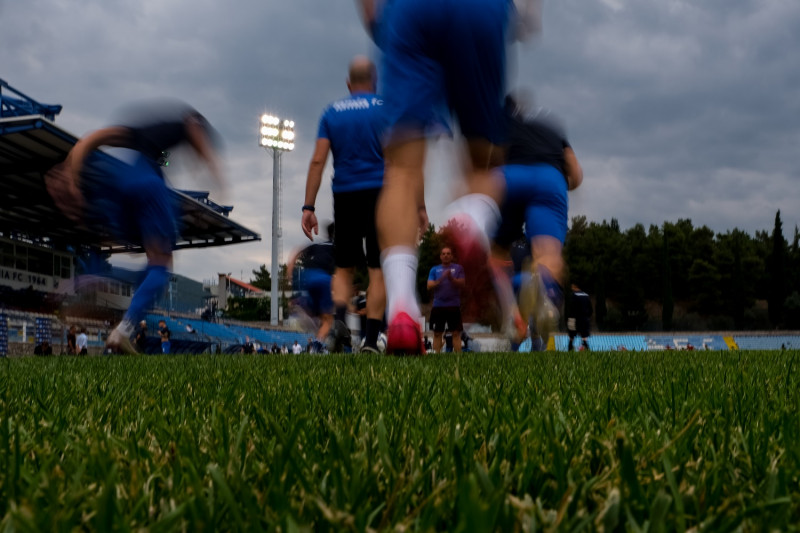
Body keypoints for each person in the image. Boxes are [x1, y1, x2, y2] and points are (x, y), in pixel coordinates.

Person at [356, 0, 542, 354]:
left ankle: (402, 310)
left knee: (401, 171)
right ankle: (471, 225)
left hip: (408, 10)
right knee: (483, 164)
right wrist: (526, 13)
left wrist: (374, 15)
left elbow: (369, 11)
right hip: (482, 9)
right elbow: (527, 15)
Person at [45, 101, 225, 354]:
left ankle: (96, 277)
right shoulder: (181, 126)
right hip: (147, 186)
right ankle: (122, 330)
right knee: (161, 266)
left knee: (152, 267)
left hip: (123, 193)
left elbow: (94, 139)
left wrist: (71, 172)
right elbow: (193, 129)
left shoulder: (145, 138)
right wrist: (215, 173)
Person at [302, 56, 387, 353]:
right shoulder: (385, 108)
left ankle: (339, 321)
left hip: (345, 194)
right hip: (379, 192)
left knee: (343, 267)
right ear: (374, 82)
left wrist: (308, 207)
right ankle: (371, 339)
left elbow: (318, 161)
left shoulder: (331, 112)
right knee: (377, 269)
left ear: (349, 84)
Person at [494, 94, 584, 347]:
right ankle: (546, 292)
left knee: (496, 254)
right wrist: (563, 185)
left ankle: (512, 314)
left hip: (510, 175)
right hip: (549, 178)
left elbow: (489, 160)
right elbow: (576, 175)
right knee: (548, 254)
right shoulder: (550, 129)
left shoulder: (499, 126)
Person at [288, 223, 337, 352]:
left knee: (318, 315)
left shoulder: (318, 245)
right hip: (324, 279)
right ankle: (316, 347)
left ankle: (305, 310)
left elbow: (298, 251)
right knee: (328, 319)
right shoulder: (337, 248)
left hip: (308, 276)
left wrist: (290, 268)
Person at [427, 247, 465, 353]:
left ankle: (458, 357)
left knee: (456, 333)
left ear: (452, 256)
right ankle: (436, 355)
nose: (446, 255)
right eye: (443, 254)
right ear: (440, 256)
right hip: (438, 306)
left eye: (448, 253)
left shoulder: (458, 268)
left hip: (454, 305)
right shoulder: (434, 269)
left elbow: (462, 283)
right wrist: (442, 278)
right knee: (437, 333)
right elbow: (429, 285)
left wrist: (451, 278)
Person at [566, 284, 592, 351]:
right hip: (584, 318)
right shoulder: (586, 295)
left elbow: (571, 307)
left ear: (574, 286)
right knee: (584, 335)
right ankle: (586, 348)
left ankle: (570, 348)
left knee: (572, 335)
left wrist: (568, 317)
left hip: (574, 318)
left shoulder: (573, 295)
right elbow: (590, 309)